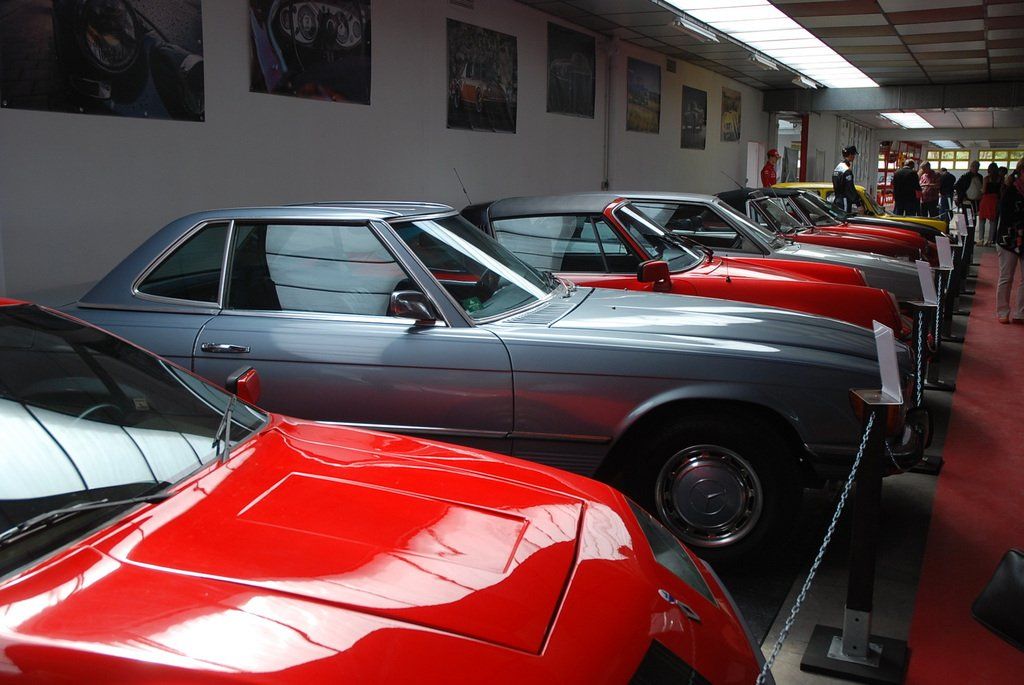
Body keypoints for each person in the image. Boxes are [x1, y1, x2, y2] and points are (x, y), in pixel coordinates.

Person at [994, 160, 1024, 323]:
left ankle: (1020, 313)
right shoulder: (1010, 190)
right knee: (1006, 276)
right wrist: (1019, 229)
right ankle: (1003, 311)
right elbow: (1005, 216)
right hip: (1008, 239)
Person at [978, 162, 1002, 245]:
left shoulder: (986, 178)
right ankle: (990, 240)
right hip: (995, 200)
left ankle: (981, 239)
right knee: (993, 221)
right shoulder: (1000, 179)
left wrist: (980, 190)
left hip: (986, 200)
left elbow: (984, 190)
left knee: (982, 220)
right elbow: (1001, 191)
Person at [832, 145, 859, 213]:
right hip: (844, 201)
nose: (854, 157)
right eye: (854, 154)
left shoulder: (837, 168)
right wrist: (858, 204)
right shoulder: (846, 170)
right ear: (850, 155)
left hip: (837, 199)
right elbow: (850, 188)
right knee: (845, 218)